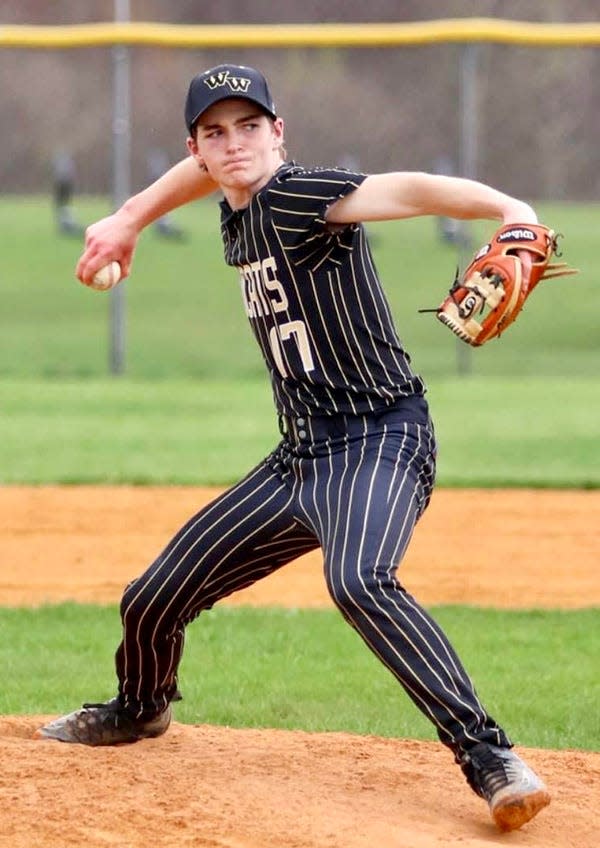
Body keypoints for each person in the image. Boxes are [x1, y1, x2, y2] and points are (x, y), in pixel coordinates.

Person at [36, 64, 549, 833]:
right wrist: (130, 218)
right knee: (149, 598)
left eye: (251, 126)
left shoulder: (298, 191)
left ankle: (491, 758)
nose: (234, 144)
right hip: (297, 458)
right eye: (216, 132)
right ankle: (141, 711)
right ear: (198, 148)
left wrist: (510, 208)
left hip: (380, 439)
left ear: (280, 133)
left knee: (360, 581)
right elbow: (198, 174)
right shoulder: (232, 197)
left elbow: (403, 190)